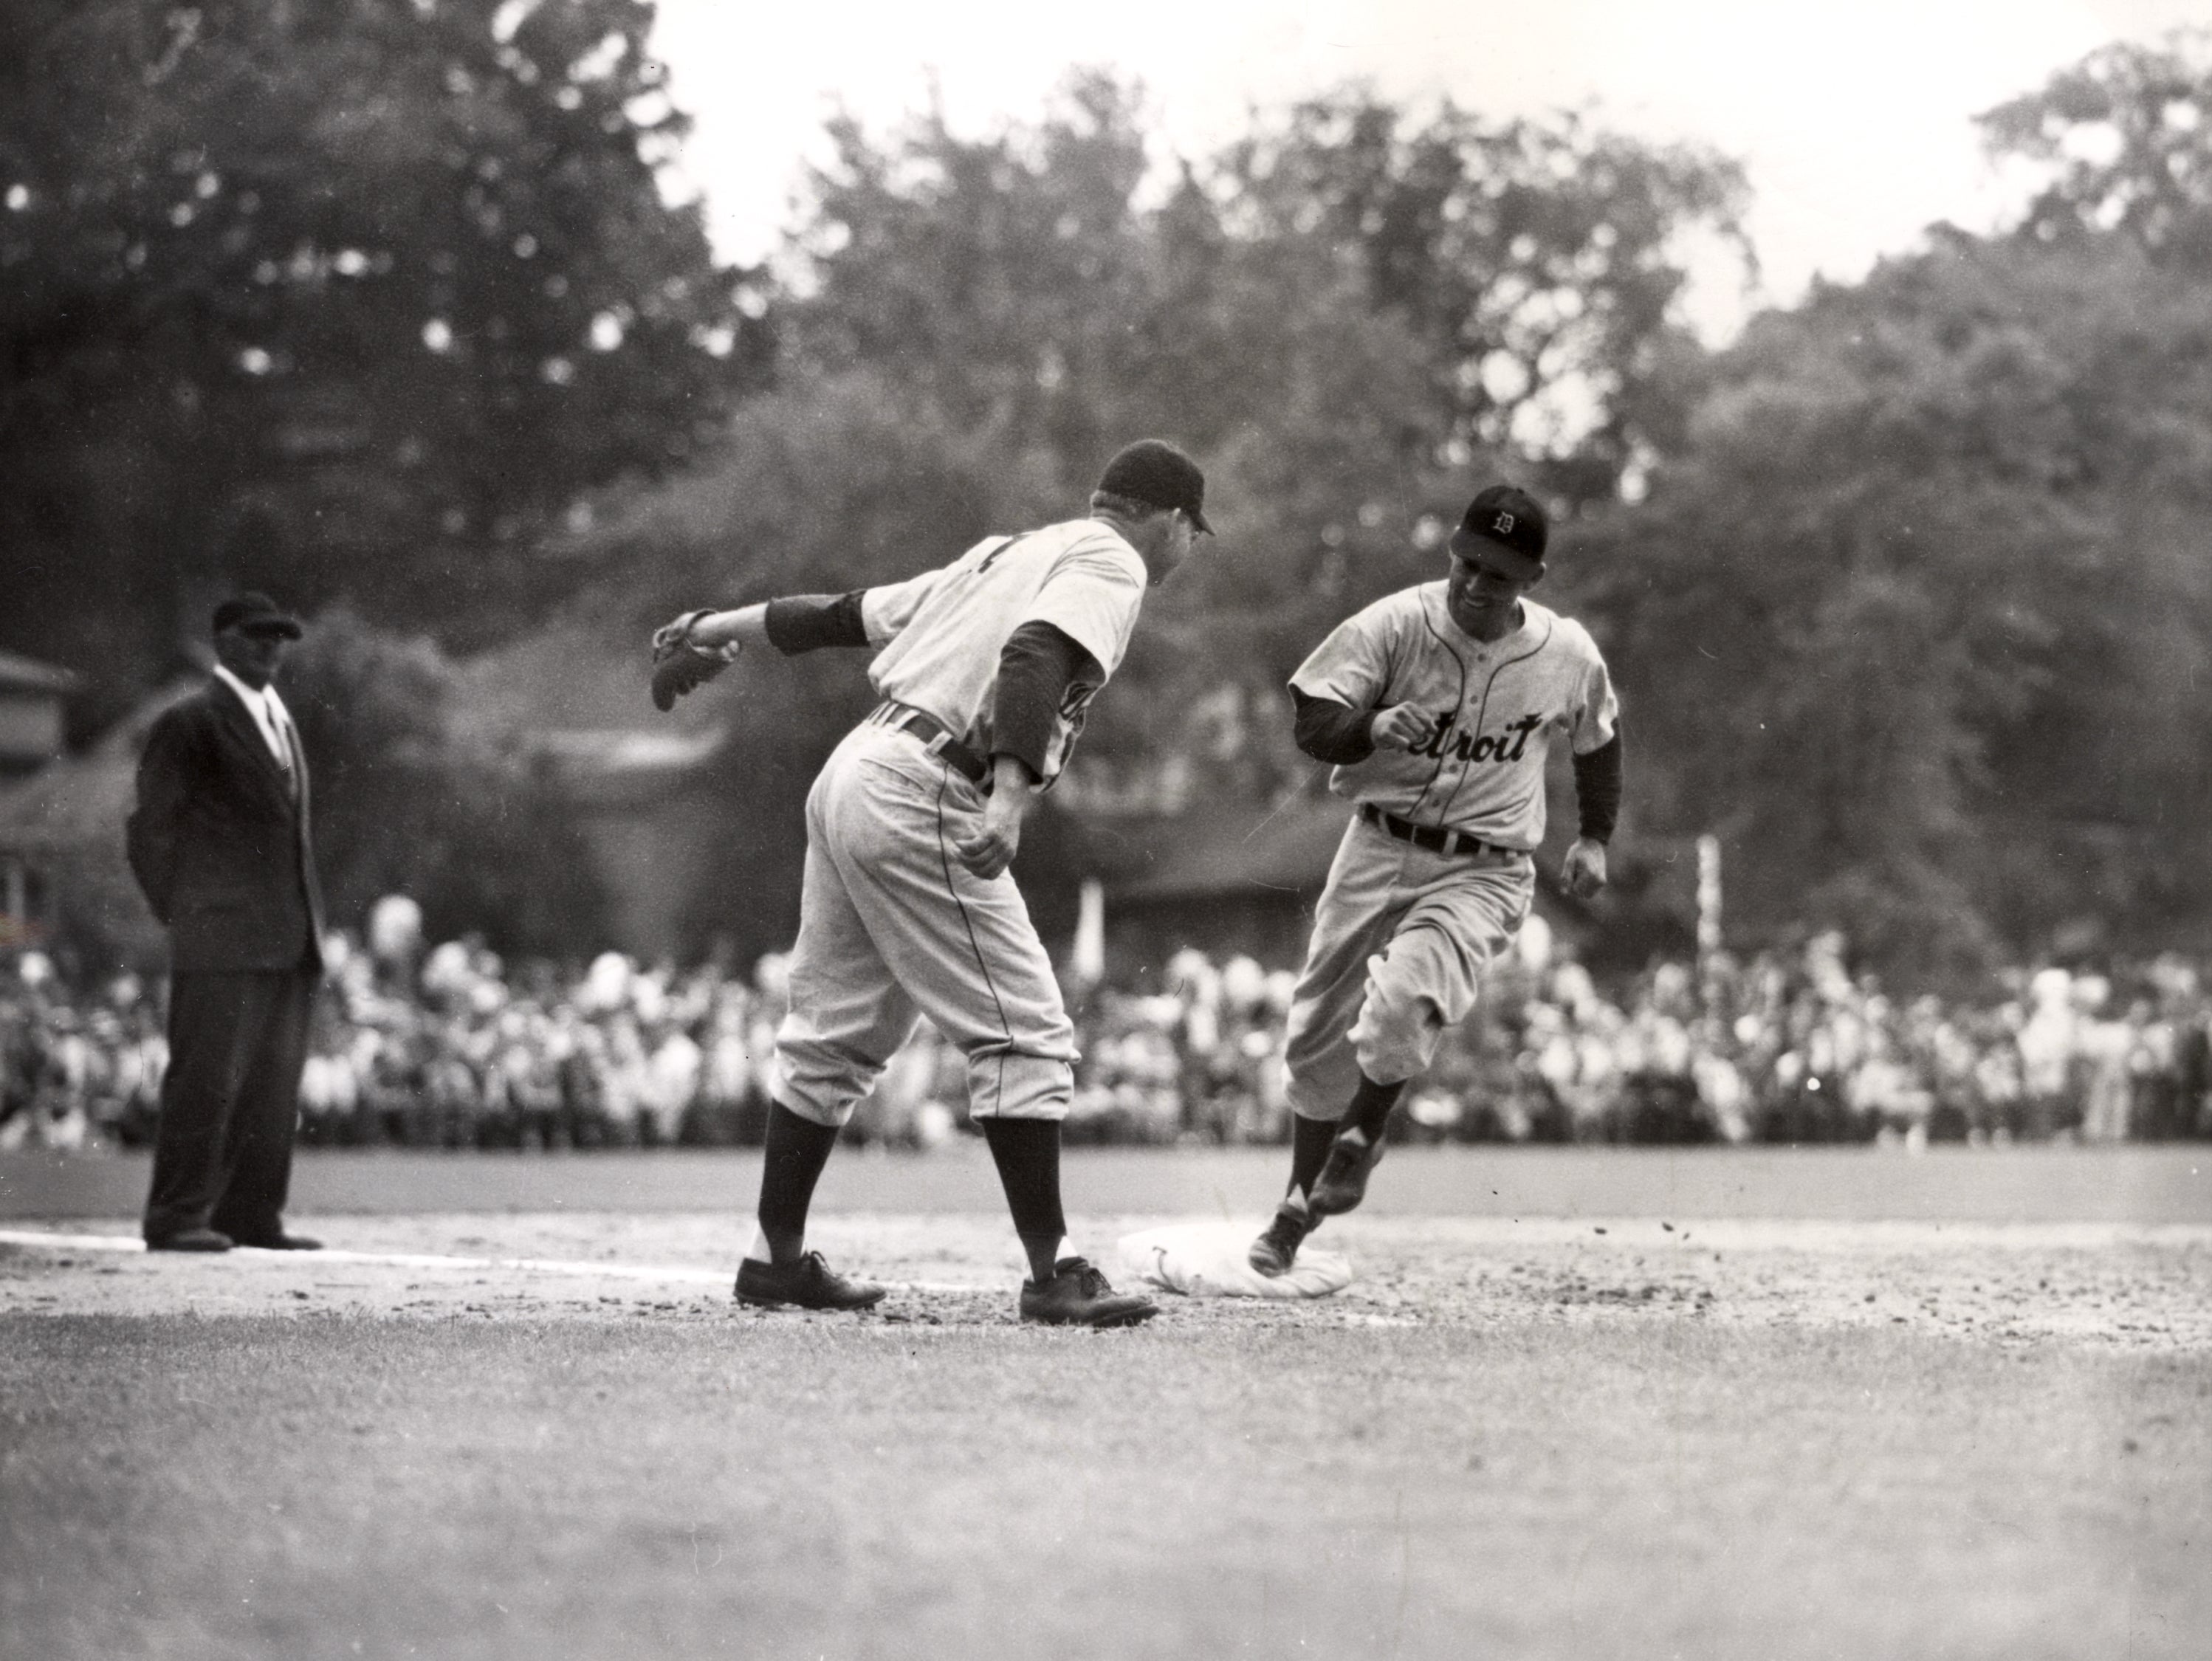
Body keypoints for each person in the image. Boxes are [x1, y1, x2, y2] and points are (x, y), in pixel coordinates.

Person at [654, 439, 1215, 1325]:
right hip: (926, 787)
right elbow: (1034, 655)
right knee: (1026, 1033)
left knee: (833, 1036)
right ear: (1170, 519)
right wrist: (1009, 793)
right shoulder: (1114, 560)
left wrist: (711, 628)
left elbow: (844, 614)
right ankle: (1053, 1271)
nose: (1188, 551)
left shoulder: (1004, 552)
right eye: (1194, 533)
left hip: (857, 769)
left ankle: (776, 1259)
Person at [1248, 486, 1621, 1275]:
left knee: (1398, 1007)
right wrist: (1369, 727)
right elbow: (1311, 721)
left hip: (1482, 865)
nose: (1473, 584)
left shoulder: (1565, 652)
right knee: (1315, 1032)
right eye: (1466, 563)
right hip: (1376, 845)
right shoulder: (1394, 624)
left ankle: (1360, 1135)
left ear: (1532, 578)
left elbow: (1597, 737)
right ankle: (1294, 1202)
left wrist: (1592, 836)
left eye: (1496, 574)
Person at [126, 592, 327, 1251]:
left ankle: (249, 1214)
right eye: (255, 635)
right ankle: (177, 1215)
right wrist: (188, 912)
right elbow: (149, 831)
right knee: (205, 1081)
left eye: (278, 636)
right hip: (220, 935)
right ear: (221, 642)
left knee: (272, 1091)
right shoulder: (190, 722)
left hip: (286, 936)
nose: (270, 646)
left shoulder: (279, 721)